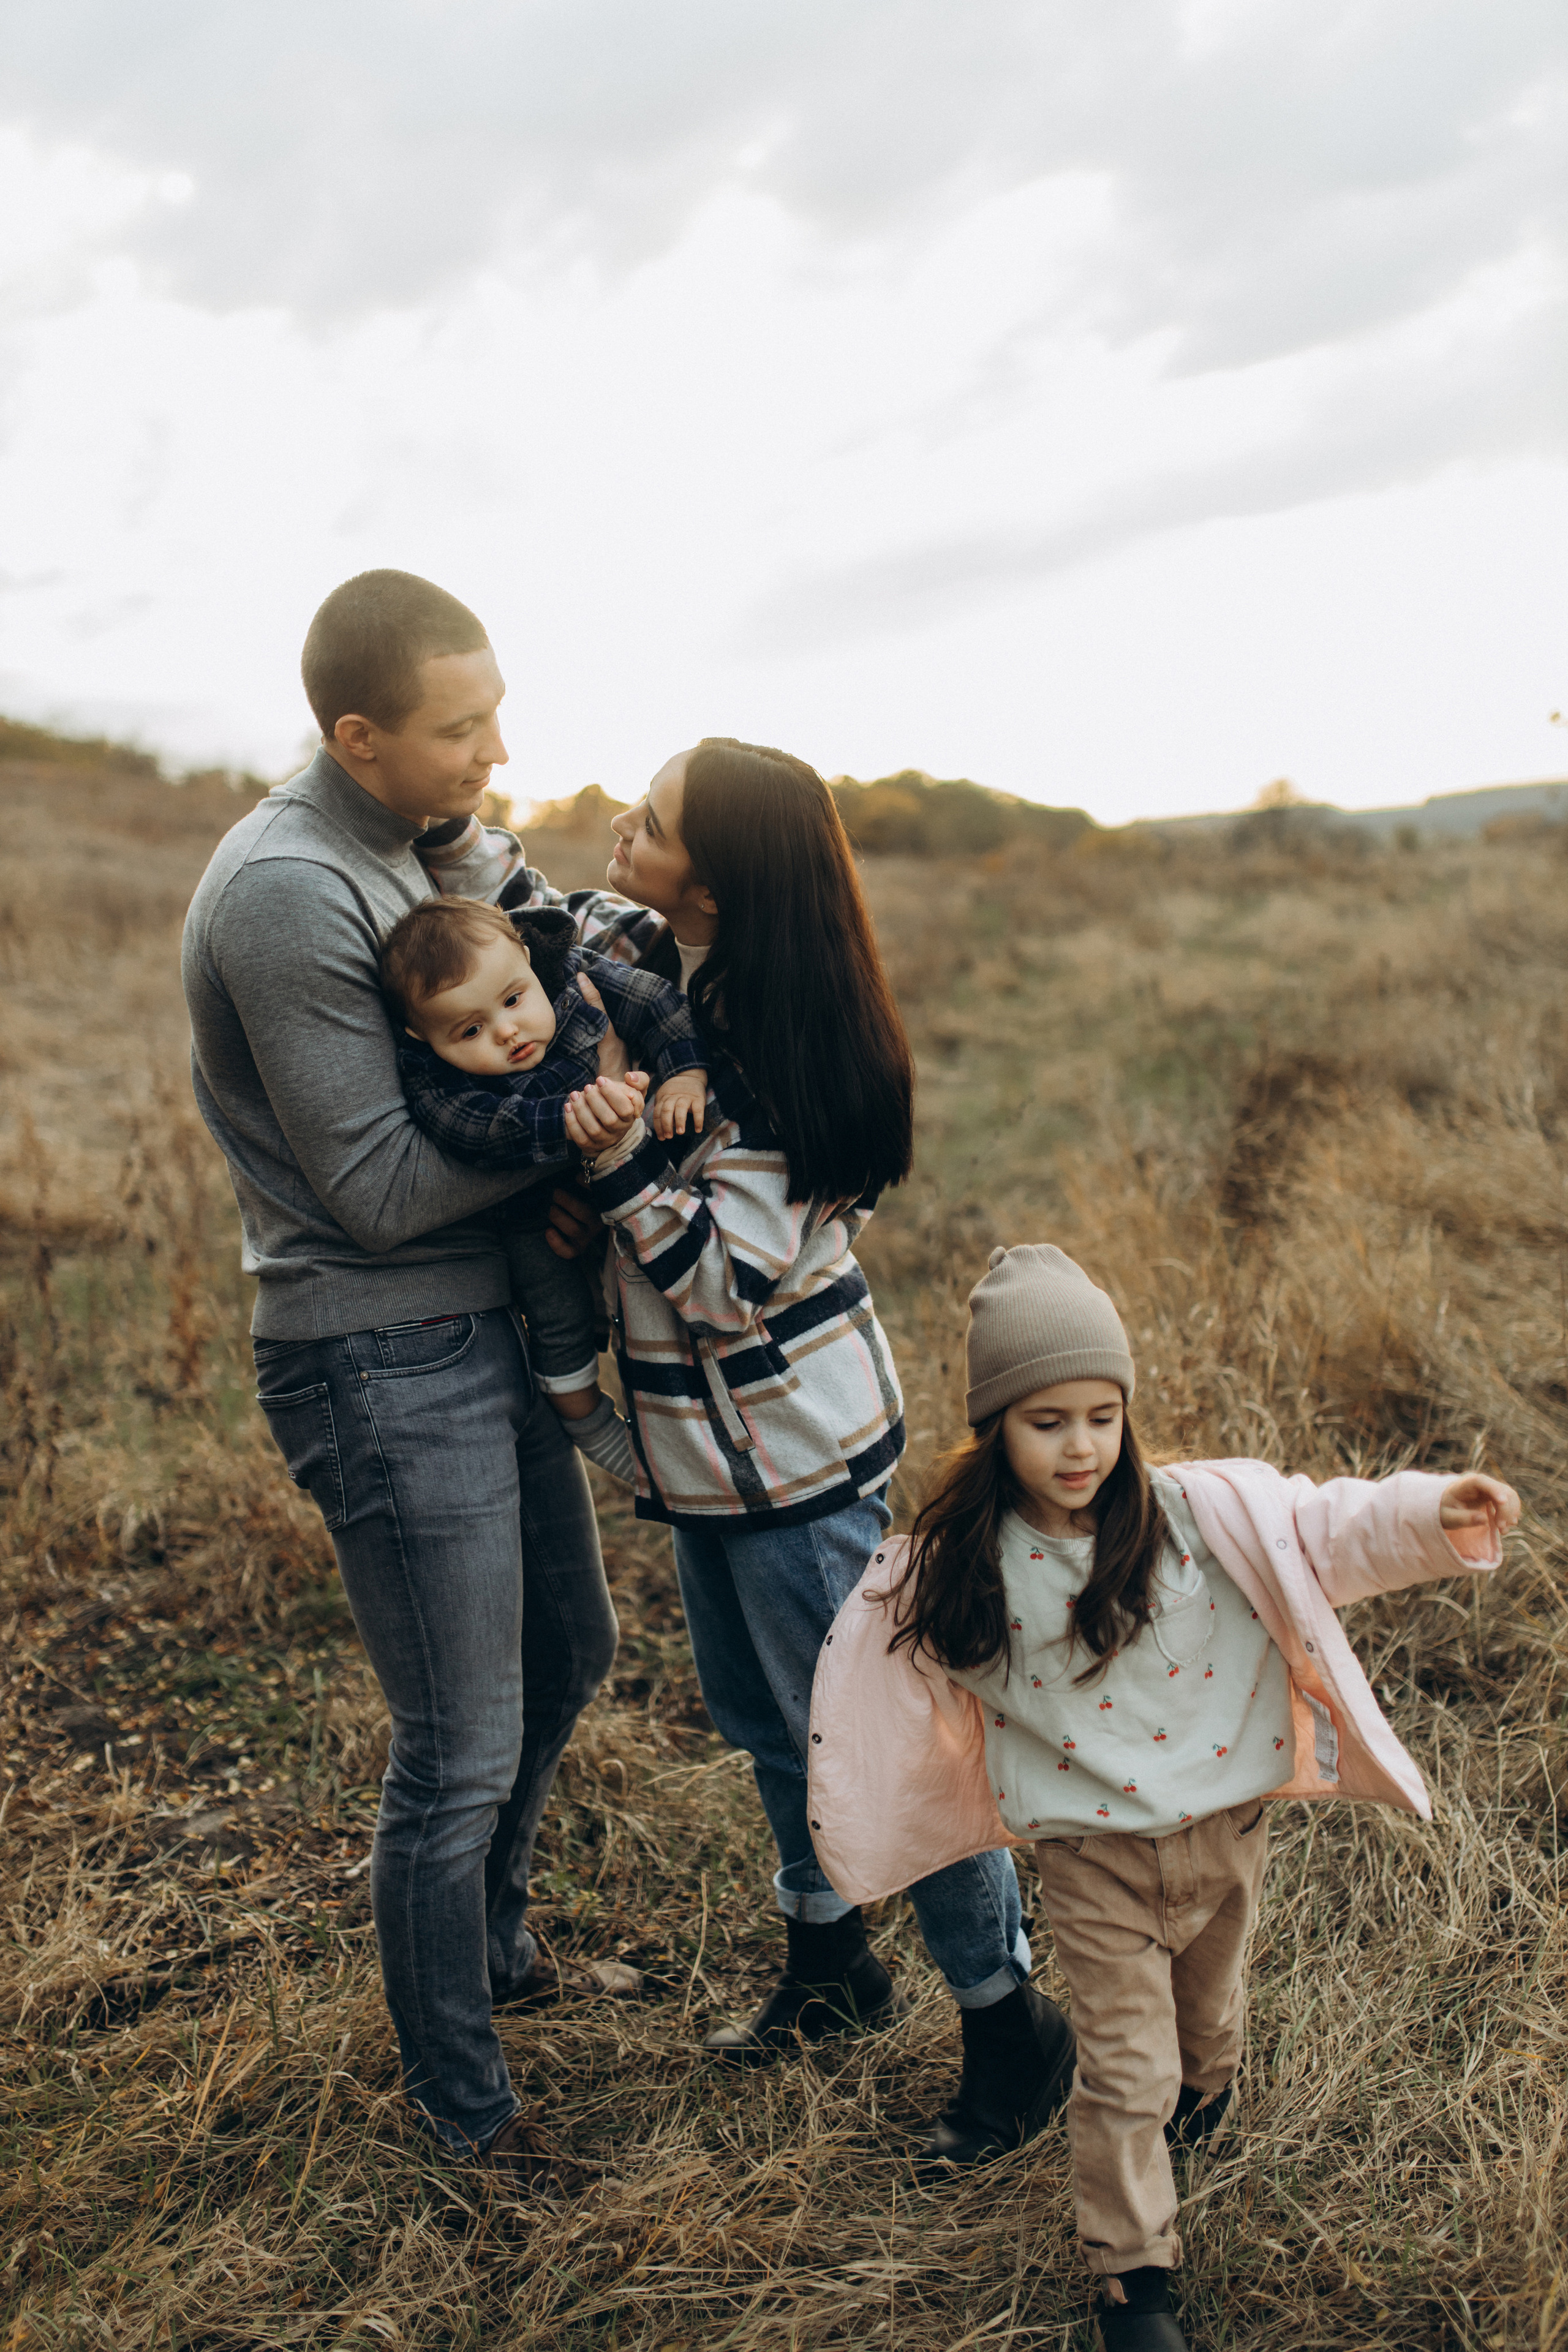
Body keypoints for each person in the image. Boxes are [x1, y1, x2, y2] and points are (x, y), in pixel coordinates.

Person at [806, 1243, 1517, 2351]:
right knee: (1124, 2073)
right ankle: (1134, 2285)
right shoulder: (962, 1563)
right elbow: (883, 1674)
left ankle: (1209, 2089)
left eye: (1102, 1414)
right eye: (1047, 1422)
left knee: (1206, 2024)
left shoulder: (1199, 1516)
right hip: (1094, 1861)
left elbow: (1330, 1525)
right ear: (996, 1425)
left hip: (1228, 1832)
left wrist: (1434, 1514)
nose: (1081, 1445)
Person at [181, 568, 644, 2190]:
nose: (498, 752)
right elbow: (374, 1191)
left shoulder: (415, 846)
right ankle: (465, 2108)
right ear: (358, 736)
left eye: (498, 712)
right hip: (376, 1352)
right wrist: (584, 1145)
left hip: (483, 1326)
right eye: (464, 729)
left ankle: (493, 1943)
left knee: (573, 1648)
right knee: (453, 1742)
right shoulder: (287, 892)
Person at [556, 739, 1077, 2165]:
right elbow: (554, 921)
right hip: (711, 1468)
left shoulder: (761, 1063)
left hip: (787, 1466)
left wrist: (610, 1174)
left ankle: (1005, 2020)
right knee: (765, 1720)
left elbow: (720, 1290)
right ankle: (830, 1962)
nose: (617, 822)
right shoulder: (672, 966)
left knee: (884, 1744)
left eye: (648, 819)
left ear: (715, 878)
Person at [379, 892, 707, 1483]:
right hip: (535, 1213)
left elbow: (655, 1001)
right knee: (555, 1308)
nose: (508, 1032)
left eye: (513, 1000)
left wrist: (684, 1073)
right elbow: (477, 1131)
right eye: (471, 1029)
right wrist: (578, 1121)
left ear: (528, 959)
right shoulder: (432, 1078)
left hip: (632, 1190)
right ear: (421, 1034)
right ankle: (592, 1424)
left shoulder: (571, 973)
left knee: (656, 1300)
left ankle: (685, 1438)